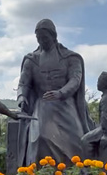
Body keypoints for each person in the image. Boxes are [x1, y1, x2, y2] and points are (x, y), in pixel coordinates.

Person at [17, 18, 95, 167]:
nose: (41, 41)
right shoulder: (31, 60)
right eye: (38, 38)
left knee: (77, 140)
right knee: (40, 138)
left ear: (53, 36)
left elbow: (75, 80)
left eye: (45, 38)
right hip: (43, 106)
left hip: (66, 105)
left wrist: (61, 93)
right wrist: (21, 97)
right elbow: (23, 83)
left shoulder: (70, 57)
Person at [82, 71, 107, 158]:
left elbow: (105, 117)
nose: (97, 83)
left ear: (105, 84)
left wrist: (105, 135)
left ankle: (88, 166)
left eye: (99, 81)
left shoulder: (106, 98)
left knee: (85, 140)